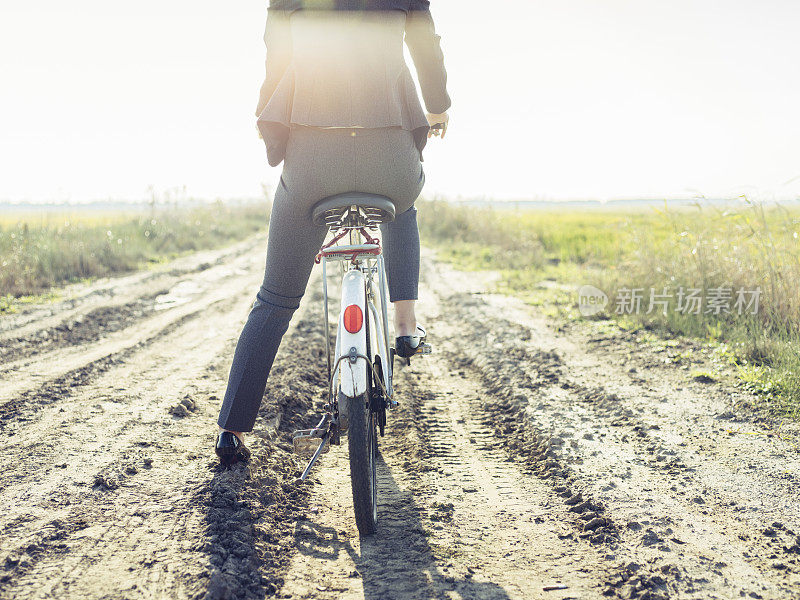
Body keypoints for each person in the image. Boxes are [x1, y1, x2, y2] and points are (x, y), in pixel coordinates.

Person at [215, 0, 450, 466]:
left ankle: (232, 430)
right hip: (389, 158)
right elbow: (427, 49)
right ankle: (405, 324)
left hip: (312, 162)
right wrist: (438, 109)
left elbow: (275, 63)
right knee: (403, 203)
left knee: (276, 298)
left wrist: (276, 136)